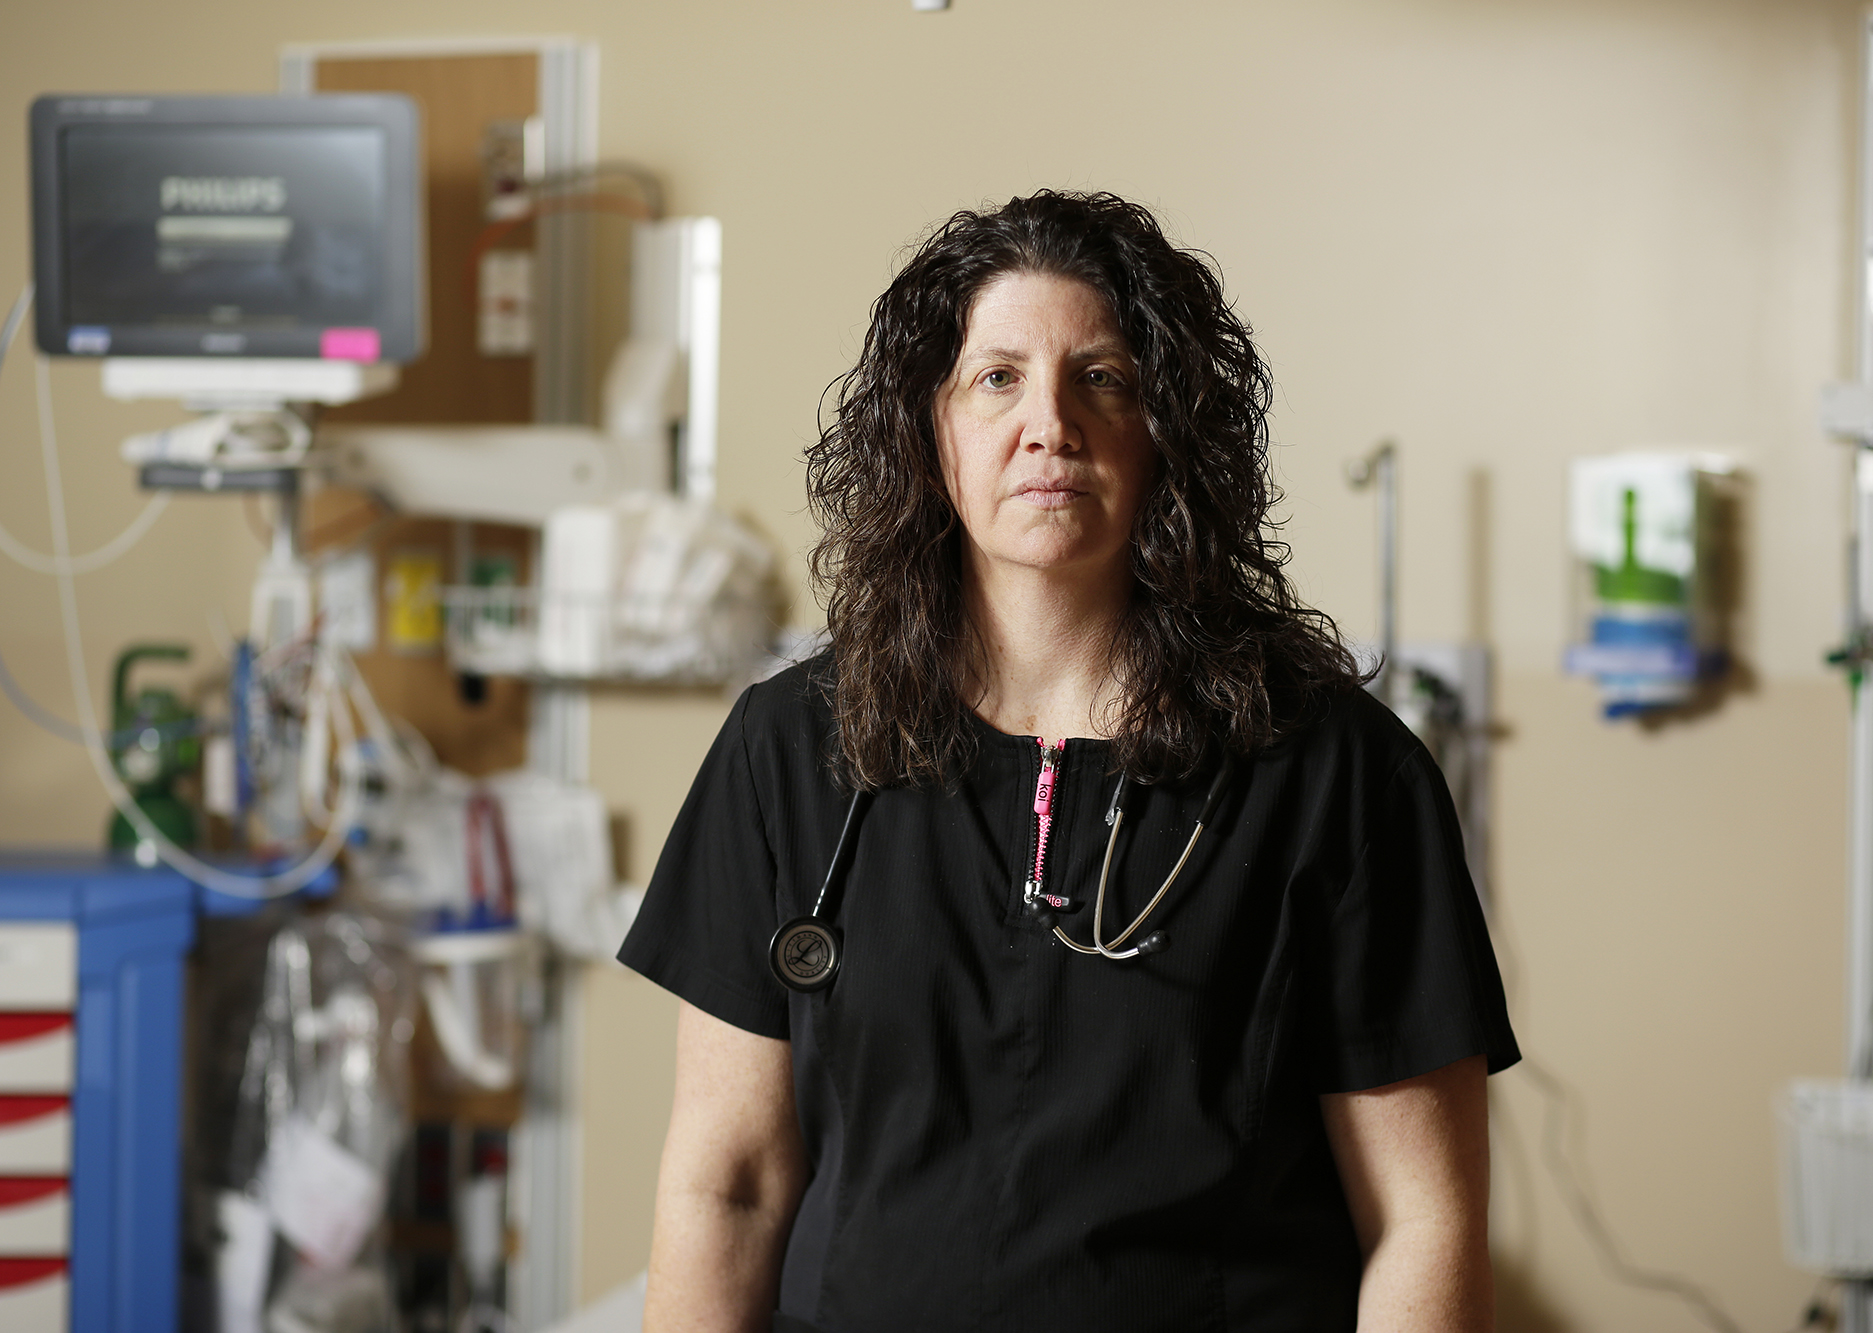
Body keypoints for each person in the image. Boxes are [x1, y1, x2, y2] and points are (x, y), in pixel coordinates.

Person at [618, 190, 1518, 1333]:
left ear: (1167, 431)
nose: (1049, 423)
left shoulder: (1334, 776)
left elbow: (1421, 1224)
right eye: (995, 378)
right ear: (927, 430)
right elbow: (727, 1188)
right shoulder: (789, 751)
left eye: (1101, 378)